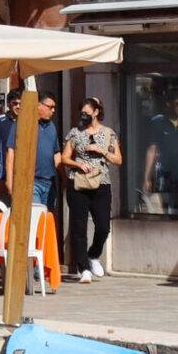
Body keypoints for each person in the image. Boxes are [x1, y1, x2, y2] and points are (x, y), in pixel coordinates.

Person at [62, 97, 121, 283]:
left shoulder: (109, 133)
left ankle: (93, 255)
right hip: (78, 183)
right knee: (79, 226)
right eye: (82, 113)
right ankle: (84, 268)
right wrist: (77, 163)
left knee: (103, 226)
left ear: (96, 112)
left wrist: (102, 151)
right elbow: (64, 158)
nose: (84, 116)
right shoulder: (74, 133)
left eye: (87, 112)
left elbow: (118, 160)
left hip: (101, 183)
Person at [142, 91, 178, 215]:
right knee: (166, 211)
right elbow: (152, 149)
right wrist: (147, 178)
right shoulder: (157, 122)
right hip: (164, 173)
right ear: (169, 104)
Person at [0, 89, 22, 182]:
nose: (18, 106)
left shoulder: (28, 122)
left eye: (21, 103)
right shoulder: (0, 122)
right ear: (8, 104)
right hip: (4, 176)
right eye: (15, 103)